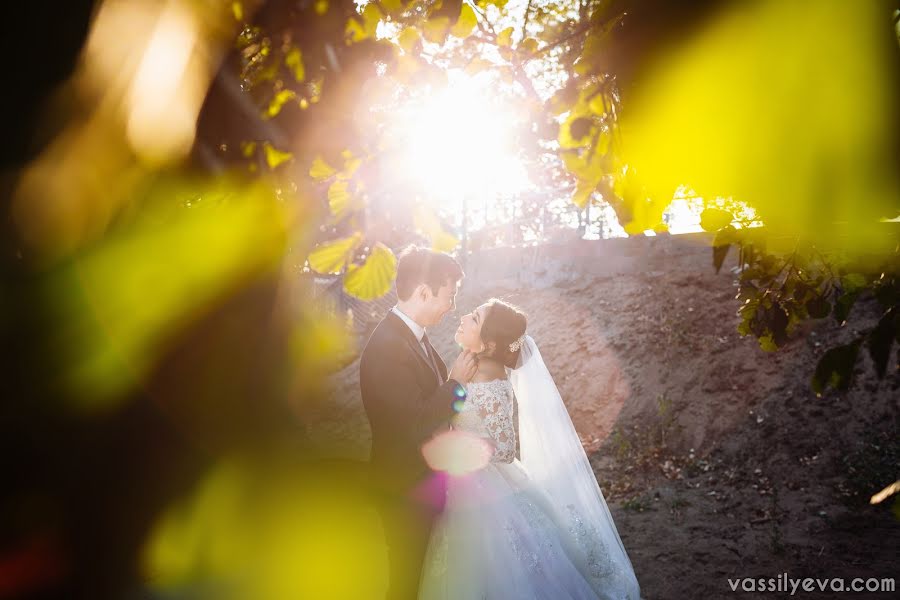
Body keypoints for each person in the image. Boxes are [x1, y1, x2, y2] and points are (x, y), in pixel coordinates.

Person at [418, 299, 641, 599]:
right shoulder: (472, 367)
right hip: (466, 484)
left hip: (486, 487)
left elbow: (506, 448)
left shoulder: (489, 380)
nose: (464, 317)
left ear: (487, 344)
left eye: (474, 317)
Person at [359, 246, 478, 600]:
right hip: (403, 490)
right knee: (407, 584)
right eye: (449, 295)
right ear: (424, 291)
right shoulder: (387, 346)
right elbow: (416, 424)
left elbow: (437, 413)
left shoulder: (414, 339)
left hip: (424, 486)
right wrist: (455, 383)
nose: (452, 306)